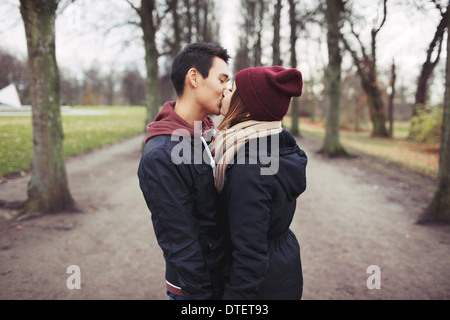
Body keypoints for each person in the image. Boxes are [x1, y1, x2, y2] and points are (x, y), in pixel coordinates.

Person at [137, 42, 230, 300]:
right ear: (194, 78)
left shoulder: (209, 135)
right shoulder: (161, 154)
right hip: (197, 291)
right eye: (222, 79)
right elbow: (181, 242)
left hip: (223, 280)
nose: (227, 88)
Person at [210, 66, 308, 300]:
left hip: (263, 287)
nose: (224, 91)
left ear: (245, 110)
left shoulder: (249, 167)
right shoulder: (274, 145)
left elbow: (249, 256)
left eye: (231, 89)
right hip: (282, 268)